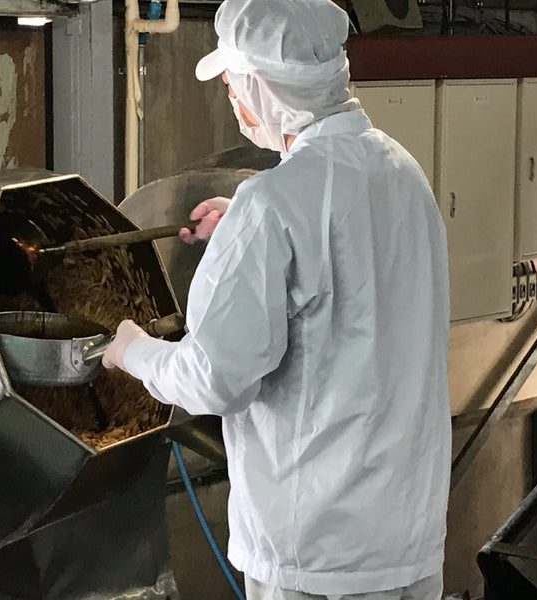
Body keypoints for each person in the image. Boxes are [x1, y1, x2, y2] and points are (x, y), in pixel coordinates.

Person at [102, 0, 451, 598]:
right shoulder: (400, 170)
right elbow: (347, 256)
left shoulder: (275, 205)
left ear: (262, 86)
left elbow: (216, 379)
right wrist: (242, 216)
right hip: (406, 538)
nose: (232, 100)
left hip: (314, 547)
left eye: (235, 84)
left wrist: (133, 351)